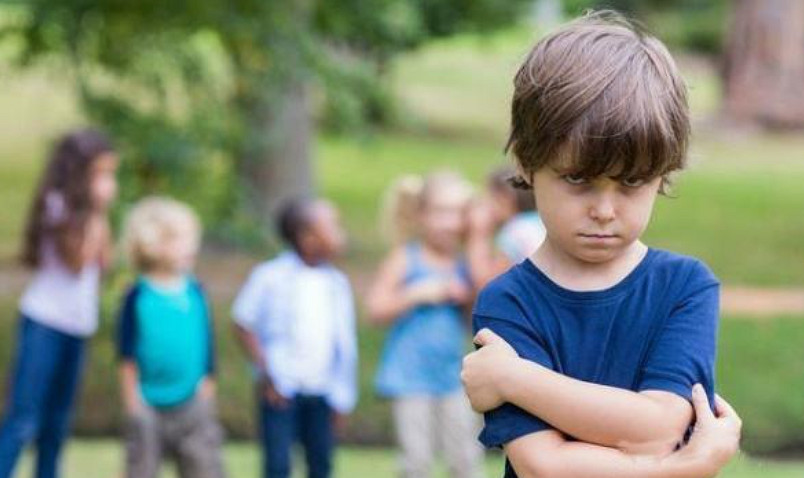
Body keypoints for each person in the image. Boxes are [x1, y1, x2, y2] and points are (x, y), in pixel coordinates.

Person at [460, 11, 741, 478]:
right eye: (577, 179)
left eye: (631, 181)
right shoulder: (509, 301)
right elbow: (545, 467)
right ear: (527, 165)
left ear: (663, 174)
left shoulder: (685, 286)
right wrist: (686, 467)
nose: (605, 210)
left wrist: (513, 378)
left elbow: (657, 429)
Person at [0, 129, 118, 478]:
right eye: (102, 173)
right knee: (24, 419)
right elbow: (78, 260)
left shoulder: (92, 214)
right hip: (44, 323)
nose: (109, 182)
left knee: (57, 424)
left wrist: (101, 213)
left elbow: (104, 262)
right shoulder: (58, 204)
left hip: (78, 326)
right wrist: (97, 210)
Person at [366, 172, 484, 478]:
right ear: (421, 215)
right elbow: (375, 310)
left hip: (452, 377)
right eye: (442, 212)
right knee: (416, 462)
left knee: (466, 459)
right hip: (410, 378)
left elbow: (476, 323)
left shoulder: (465, 263)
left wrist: (465, 295)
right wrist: (417, 293)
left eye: (458, 213)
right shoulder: (406, 259)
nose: (451, 222)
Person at [232, 197, 357, 478]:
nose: (340, 234)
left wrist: (343, 394)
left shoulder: (337, 284)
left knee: (321, 463)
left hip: (323, 391)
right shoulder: (270, 276)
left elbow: (344, 343)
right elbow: (242, 321)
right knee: (277, 464)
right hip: (281, 388)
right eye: (333, 227)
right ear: (308, 239)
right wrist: (265, 371)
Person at [117, 197, 226, 478]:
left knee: (204, 466)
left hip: (193, 400)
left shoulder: (195, 292)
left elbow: (206, 340)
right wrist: (132, 401)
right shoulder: (137, 296)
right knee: (141, 468)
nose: (192, 247)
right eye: (181, 239)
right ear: (153, 243)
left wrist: (208, 383)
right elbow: (126, 352)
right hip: (148, 403)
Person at [467, 166, 546, 288]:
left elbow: (486, 284)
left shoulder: (517, 231)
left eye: (489, 197)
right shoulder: (539, 222)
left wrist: (478, 232)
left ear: (505, 197)